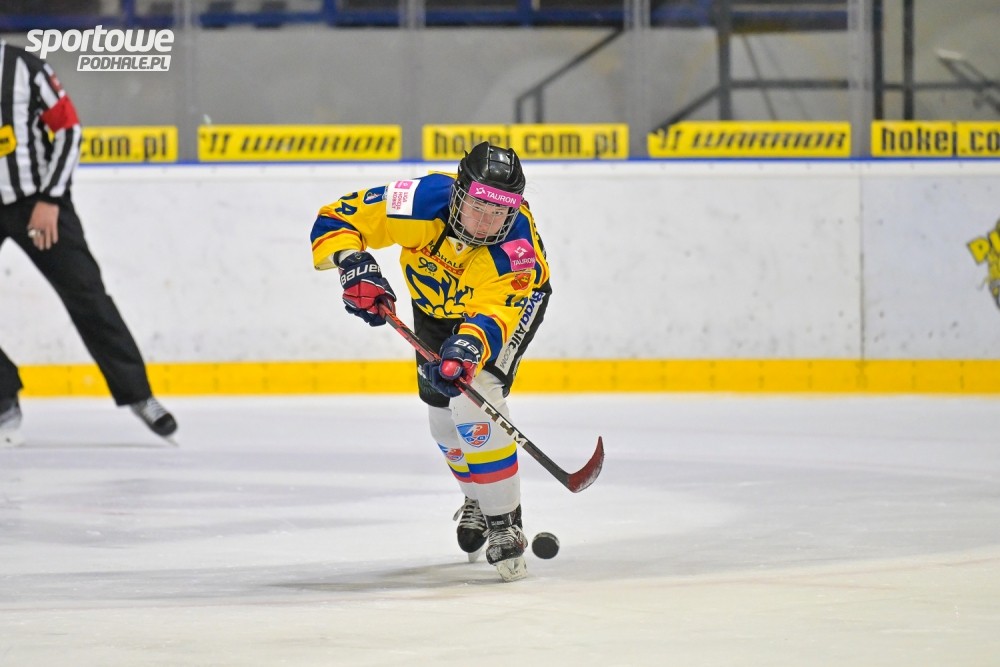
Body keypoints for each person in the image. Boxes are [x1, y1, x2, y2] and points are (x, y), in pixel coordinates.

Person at [310, 142, 551, 582]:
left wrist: (468, 349)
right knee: (442, 418)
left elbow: (494, 314)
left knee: (475, 399)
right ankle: (476, 498)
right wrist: (354, 263)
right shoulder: (418, 201)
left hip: (504, 311)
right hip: (434, 308)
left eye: (499, 212)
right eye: (478, 207)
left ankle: (505, 523)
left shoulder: (516, 251)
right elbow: (336, 218)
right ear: (458, 193)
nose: (486, 222)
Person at [0, 38, 177, 447]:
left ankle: (139, 394)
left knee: (87, 295)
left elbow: (68, 129)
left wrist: (50, 199)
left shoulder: (24, 68)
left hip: (36, 202)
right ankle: (3, 393)